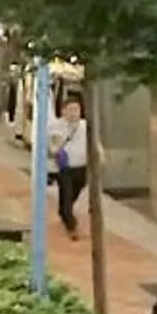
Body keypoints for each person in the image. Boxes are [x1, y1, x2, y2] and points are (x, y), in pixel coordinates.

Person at [47, 96, 92, 238]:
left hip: (82, 167)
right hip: (64, 167)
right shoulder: (56, 127)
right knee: (66, 194)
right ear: (63, 111)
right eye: (71, 110)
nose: (74, 113)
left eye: (76, 110)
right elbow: (51, 147)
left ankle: (64, 211)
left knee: (74, 193)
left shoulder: (86, 126)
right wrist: (55, 149)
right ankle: (71, 224)